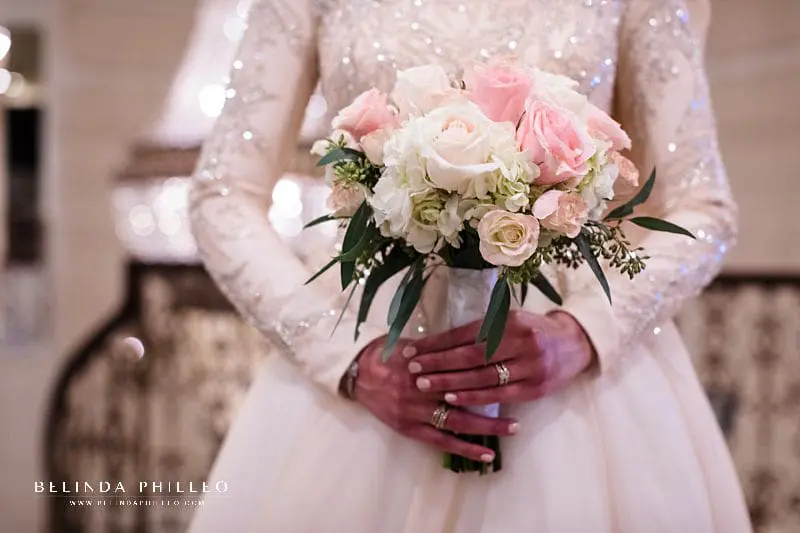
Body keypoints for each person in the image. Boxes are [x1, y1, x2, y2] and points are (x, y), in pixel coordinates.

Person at [188, 0, 753, 531]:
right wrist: (342, 358)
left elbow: (703, 210)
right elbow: (222, 195)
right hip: (374, 353)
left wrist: (585, 332)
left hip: (565, 378)